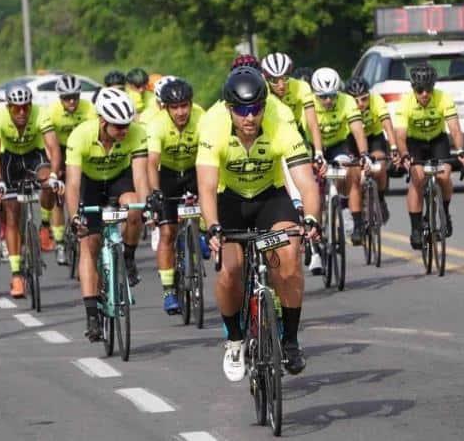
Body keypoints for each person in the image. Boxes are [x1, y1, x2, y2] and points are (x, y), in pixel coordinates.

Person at [196, 66, 320, 382]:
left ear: (265, 106)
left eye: (255, 109)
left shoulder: (281, 123)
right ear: (229, 108)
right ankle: (235, 340)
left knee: (290, 258)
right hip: (229, 199)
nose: (249, 117)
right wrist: (212, 227)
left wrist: (311, 219)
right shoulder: (213, 126)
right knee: (230, 269)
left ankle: (290, 340)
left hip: (269, 196)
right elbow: (207, 188)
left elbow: (306, 183)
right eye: (241, 110)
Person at [64, 88, 149, 342]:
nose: (124, 130)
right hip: (90, 184)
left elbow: (140, 176)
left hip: (118, 180)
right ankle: (92, 314)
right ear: (102, 122)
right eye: (118, 126)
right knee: (89, 243)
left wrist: (147, 205)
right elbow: (73, 184)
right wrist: (74, 217)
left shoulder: (137, 133)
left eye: (126, 124)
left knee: (135, 206)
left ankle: (129, 257)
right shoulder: (80, 136)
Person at [0, 86, 64, 298]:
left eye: (25, 108)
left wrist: (55, 175)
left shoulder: (40, 113)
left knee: (48, 181)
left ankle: (45, 224)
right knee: (12, 212)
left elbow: (53, 147)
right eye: (17, 108)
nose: (22, 113)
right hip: (10, 160)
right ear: (9, 107)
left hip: (33, 157)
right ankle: (16, 275)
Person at [146, 78, 205, 314]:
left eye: (185, 105)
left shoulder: (202, 118)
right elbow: (151, 163)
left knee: (211, 204)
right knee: (168, 232)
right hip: (167, 175)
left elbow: (210, 155)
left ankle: (200, 232)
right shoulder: (156, 125)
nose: (181, 112)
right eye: (175, 107)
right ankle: (169, 289)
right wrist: (156, 193)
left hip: (194, 169)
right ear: (165, 108)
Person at [394, 64, 464, 249]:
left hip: (437, 140)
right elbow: (401, 136)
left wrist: (460, 150)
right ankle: (416, 229)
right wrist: (404, 155)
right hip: (415, 142)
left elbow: (455, 129)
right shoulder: (405, 103)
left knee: (444, 175)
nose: (425, 94)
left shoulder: (443, 98)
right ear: (413, 89)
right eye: (420, 90)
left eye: (428, 89)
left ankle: (445, 211)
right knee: (418, 178)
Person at [308, 67, 371, 247]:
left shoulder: (347, 101)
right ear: (315, 94)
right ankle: (314, 227)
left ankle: (356, 222)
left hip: (337, 145)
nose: (328, 100)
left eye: (332, 95)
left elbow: (357, 129)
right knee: (312, 185)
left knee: (351, 173)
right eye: (323, 96)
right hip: (313, 146)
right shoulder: (308, 103)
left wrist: (364, 155)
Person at [44, 74, 97, 263]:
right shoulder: (52, 112)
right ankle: (59, 242)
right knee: (58, 195)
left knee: (83, 190)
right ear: (60, 98)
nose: (72, 101)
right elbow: (48, 143)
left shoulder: (89, 109)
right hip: (59, 150)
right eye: (67, 98)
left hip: (82, 151)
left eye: (75, 96)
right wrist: (55, 167)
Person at [345, 77, 400, 223]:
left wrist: (394, 148)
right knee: (354, 176)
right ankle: (355, 218)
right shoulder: (343, 104)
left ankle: (380, 200)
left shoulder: (377, 100)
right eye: (355, 101)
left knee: (380, 165)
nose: (360, 104)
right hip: (352, 139)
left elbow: (387, 124)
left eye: (364, 99)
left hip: (374, 137)